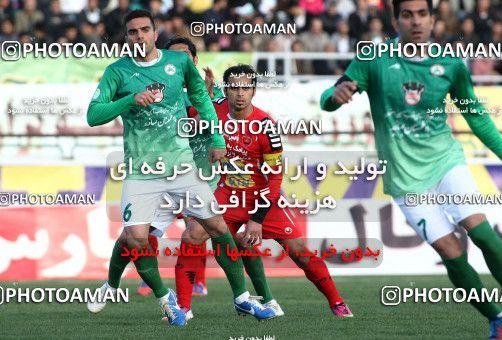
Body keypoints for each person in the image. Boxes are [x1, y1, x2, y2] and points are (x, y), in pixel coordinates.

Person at [320, 1, 502, 338]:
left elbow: (476, 116)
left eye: (422, 13)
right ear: (396, 20)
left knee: (484, 236)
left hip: (446, 162)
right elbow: (328, 98)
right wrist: (337, 95)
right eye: (407, 15)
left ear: (433, 18)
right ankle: (496, 318)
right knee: (451, 254)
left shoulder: (451, 64)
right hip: (406, 180)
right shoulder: (373, 59)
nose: (416, 21)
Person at [85, 9, 276, 326]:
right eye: (133, 32)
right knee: (134, 238)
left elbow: (203, 100)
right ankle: (159, 297)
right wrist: (130, 100)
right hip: (142, 170)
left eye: (145, 30)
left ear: (155, 31)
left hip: (182, 168)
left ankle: (242, 298)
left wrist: (216, 138)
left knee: (217, 228)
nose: (139, 36)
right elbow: (93, 115)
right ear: (126, 36)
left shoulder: (179, 64)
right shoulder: (117, 72)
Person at [175, 64, 353, 318]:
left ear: (254, 90)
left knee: (300, 251)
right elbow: (190, 113)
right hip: (228, 194)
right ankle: (183, 308)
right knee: (191, 236)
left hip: (263, 197)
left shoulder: (266, 125)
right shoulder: (216, 110)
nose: (240, 93)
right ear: (226, 90)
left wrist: (256, 219)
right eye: (234, 87)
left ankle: (337, 303)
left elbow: (275, 177)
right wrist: (201, 94)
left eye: (246, 87)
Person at [137, 37, 223, 306]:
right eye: (172, 56)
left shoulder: (216, 92)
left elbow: (220, 122)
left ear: (194, 61)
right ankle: (149, 278)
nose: (178, 62)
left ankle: (199, 282)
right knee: (144, 231)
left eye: (184, 55)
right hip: (166, 171)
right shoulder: (159, 91)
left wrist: (207, 99)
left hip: (203, 174)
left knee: (195, 229)